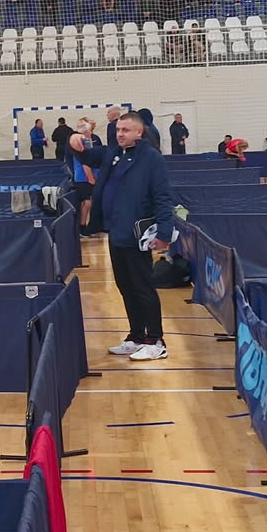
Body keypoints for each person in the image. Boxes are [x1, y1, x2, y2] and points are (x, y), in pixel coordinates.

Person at [87, 111, 178, 362]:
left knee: (143, 288)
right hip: (115, 233)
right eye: (118, 130)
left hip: (137, 235)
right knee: (125, 287)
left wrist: (164, 233)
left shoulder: (152, 159)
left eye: (125, 130)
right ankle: (136, 336)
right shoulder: (114, 154)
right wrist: (77, 141)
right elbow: (87, 156)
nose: (120, 134)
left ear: (139, 132)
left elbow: (162, 197)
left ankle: (156, 341)